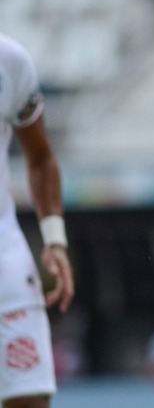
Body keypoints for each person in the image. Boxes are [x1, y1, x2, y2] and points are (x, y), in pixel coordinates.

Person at [0, 32, 74, 408]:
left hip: (5, 266)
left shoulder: (10, 61)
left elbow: (41, 157)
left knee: (29, 401)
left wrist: (54, 240)